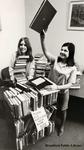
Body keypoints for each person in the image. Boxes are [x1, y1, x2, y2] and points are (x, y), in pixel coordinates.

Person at [40, 30, 77, 136]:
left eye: (65, 50)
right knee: (49, 107)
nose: (62, 52)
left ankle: (61, 126)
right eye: (61, 49)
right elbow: (45, 52)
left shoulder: (73, 68)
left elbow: (70, 84)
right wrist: (42, 39)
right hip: (51, 90)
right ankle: (48, 124)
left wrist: (57, 86)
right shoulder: (55, 60)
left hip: (63, 92)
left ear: (70, 53)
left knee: (62, 110)